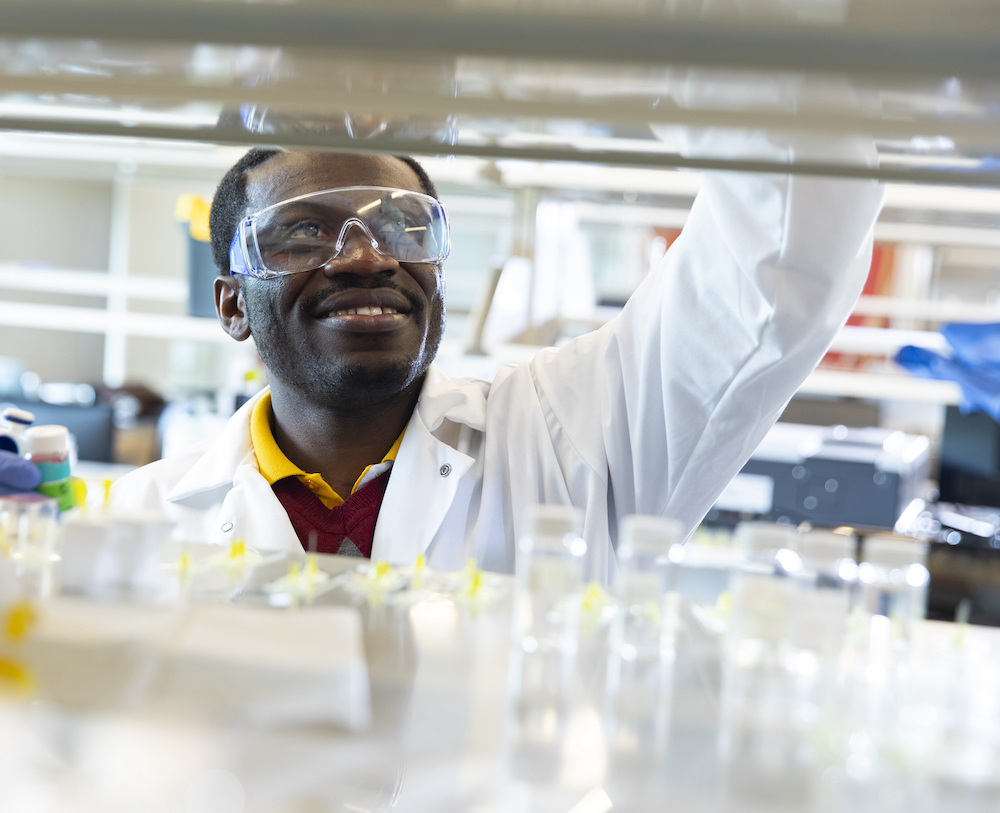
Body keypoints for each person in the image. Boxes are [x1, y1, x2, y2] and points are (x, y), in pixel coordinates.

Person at [112, 138, 884, 579]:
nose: (366, 256)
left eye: (404, 226)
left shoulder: (568, 435)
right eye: (304, 234)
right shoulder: (141, 520)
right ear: (230, 305)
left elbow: (776, 268)